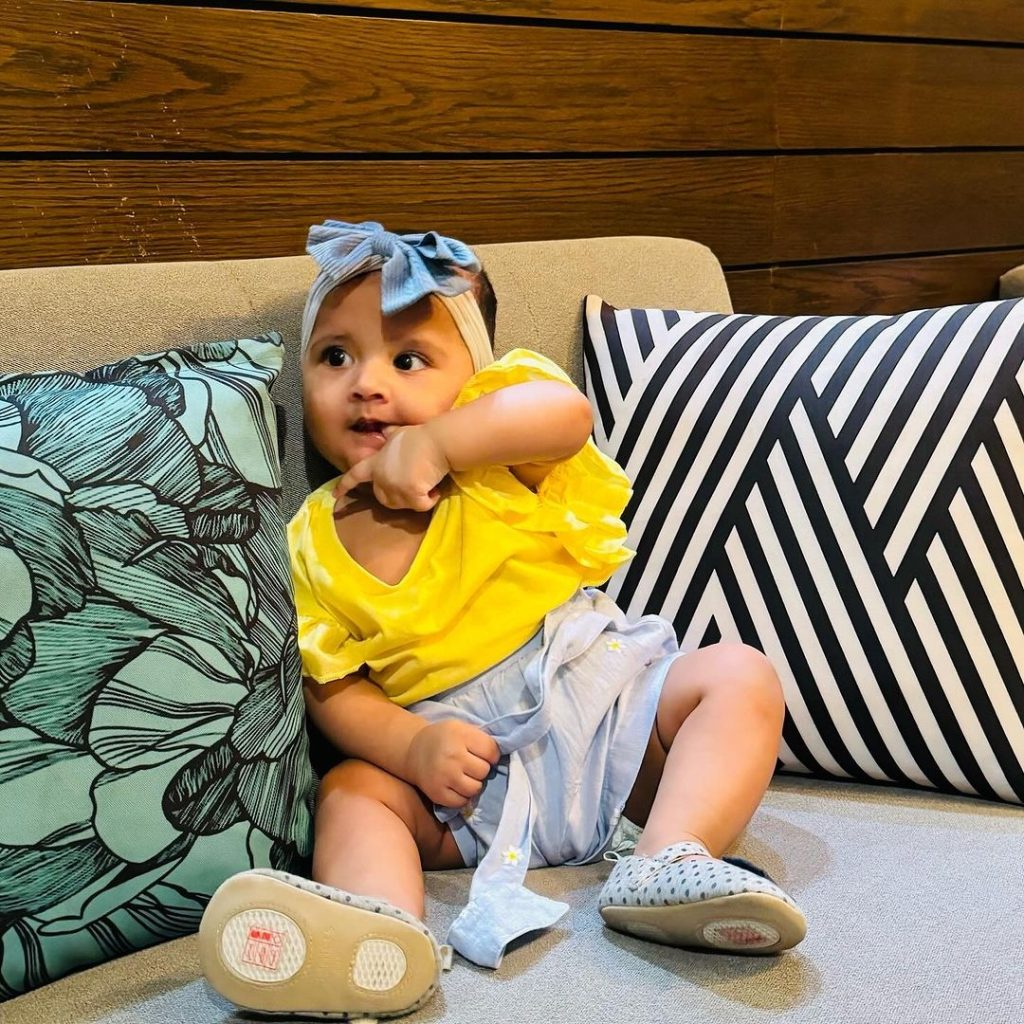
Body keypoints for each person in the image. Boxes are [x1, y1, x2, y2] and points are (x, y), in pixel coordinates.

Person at [198, 221, 807, 1020]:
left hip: (610, 732)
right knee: (350, 792)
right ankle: (381, 936)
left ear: (475, 378)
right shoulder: (309, 539)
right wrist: (410, 748)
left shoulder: (497, 457)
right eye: (335, 357)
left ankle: (663, 861)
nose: (367, 384)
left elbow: (565, 413)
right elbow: (331, 686)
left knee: (738, 675)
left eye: (407, 360)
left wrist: (444, 443)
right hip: (462, 789)